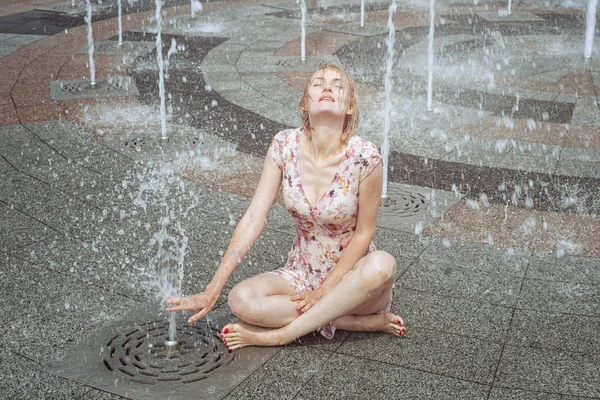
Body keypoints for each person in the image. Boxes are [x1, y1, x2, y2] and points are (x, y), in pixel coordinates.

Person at [165, 63, 405, 350]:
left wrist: (324, 291)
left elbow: (364, 234)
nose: (327, 87)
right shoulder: (284, 146)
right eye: (318, 83)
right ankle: (350, 322)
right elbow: (254, 217)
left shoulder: (366, 157)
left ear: (350, 106)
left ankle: (279, 335)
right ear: (304, 102)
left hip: (353, 282)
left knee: (383, 265)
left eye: (337, 84)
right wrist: (212, 289)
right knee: (240, 299)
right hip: (301, 272)